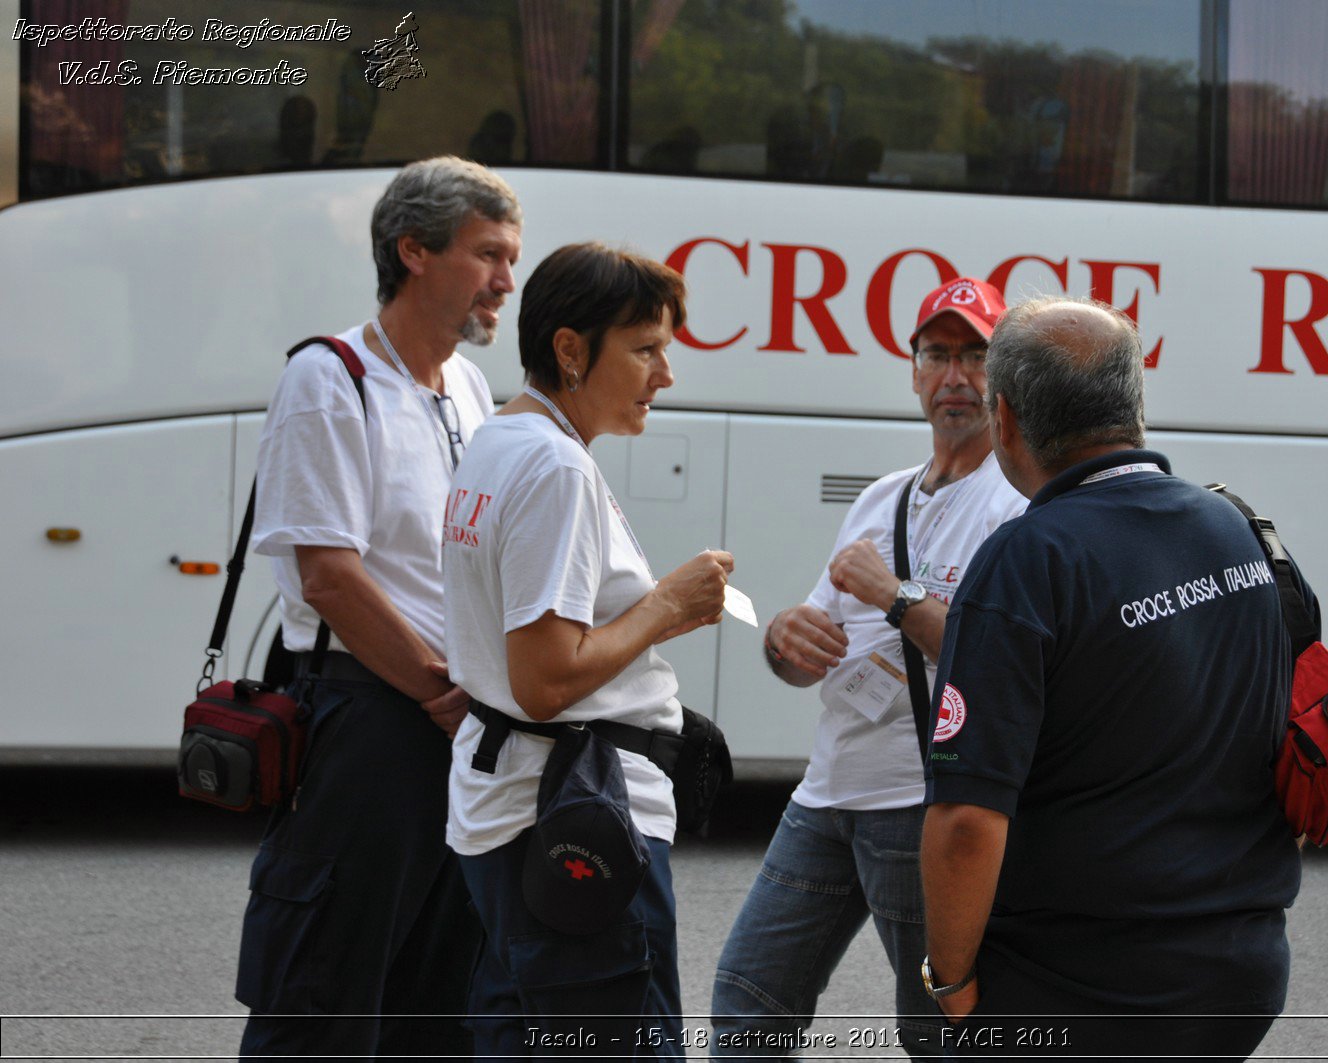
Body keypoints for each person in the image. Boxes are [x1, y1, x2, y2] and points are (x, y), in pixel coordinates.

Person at [920, 296, 1317, 1061]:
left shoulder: (1026, 560)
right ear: (1135, 404)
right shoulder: (1232, 524)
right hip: (1241, 969)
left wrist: (953, 983)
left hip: (1083, 984)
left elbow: (966, 821)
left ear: (1004, 418)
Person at [235, 155, 521, 1058]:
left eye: (511, 257)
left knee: (436, 999)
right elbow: (328, 574)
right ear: (414, 252)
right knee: (323, 998)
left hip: (457, 723)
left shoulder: (469, 389)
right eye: (489, 255)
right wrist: (442, 692)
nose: (507, 281)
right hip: (370, 719)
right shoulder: (331, 378)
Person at [712, 279, 1027, 1060]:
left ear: (1005, 377)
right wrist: (783, 638)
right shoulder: (881, 498)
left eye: (976, 355)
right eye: (938, 354)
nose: (956, 375)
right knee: (747, 1000)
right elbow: (809, 648)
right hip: (826, 795)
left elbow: (995, 664)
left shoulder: (1016, 505)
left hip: (921, 803)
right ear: (914, 372)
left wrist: (895, 595)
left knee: (936, 1034)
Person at [441, 241, 734, 1057]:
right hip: (570, 809)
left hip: (518, 803)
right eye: (645, 349)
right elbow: (545, 678)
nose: (664, 374)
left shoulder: (502, 440)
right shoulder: (553, 467)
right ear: (570, 349)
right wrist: (667, 606)